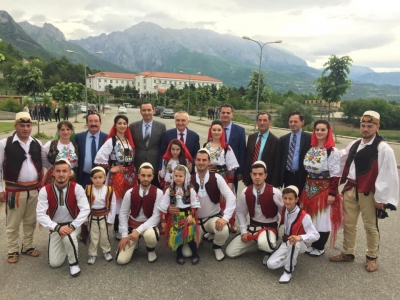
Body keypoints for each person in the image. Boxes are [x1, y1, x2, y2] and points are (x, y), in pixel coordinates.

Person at [330, 111, 399, 272]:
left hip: (369, 192)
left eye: (370, 126)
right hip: (350, 189)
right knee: (349, 223)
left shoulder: (383, 149)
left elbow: (387, 175)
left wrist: (381, 198)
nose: (366, 129)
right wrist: (325, 152)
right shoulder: (355, 144)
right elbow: (341, 158)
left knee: (370, 226)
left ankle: (372, 257)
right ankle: (348, 252)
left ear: (377, 127)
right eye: (363, 125)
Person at [170, 149, 236, 261]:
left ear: (209, 162)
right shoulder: (188, 179)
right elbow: (175, 195)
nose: (201, 162)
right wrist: (170, 207)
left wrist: (225, 218)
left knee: (224, 228)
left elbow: (231, 197)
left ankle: (217, 246)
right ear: (195, 161)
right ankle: (202, 236)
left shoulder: (216, 178)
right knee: (187, 253)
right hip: (193, 221)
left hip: (212, 218)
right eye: (199, 160)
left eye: (204, 160)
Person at [0, 112, 43, 263]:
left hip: (34, 189)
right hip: (15, 191)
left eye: (28, 125)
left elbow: (43, 164)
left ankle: (28, 246)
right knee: (13, 222)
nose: (25, 128)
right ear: (16, 126)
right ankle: (12, 250)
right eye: (22, 125)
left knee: (30, 220)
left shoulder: (36, 143)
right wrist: (0, 189)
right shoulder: (5, 144)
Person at [36, 159, 90, 277]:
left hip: (74, 225)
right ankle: (69, 246)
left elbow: (85, 209)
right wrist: (57, 227)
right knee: (55, 263)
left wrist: (72, 225)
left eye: (64, 171)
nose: (61, 174)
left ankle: (74, 264)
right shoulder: (44, 190)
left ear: (70, 173)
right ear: (53, 173)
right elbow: (40, 214)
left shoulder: (78, 188)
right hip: (55, 227)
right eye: (58, 171)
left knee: (68, 237)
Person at [299, 120, 343, 257]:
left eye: (323, 130)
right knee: (310, 217)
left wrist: (332, 193)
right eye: (317, 129)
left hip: (324, 188)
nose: (319, 132)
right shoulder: (311, 148)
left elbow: (336, 174)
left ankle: (319, 246)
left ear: (328, 131)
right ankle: (310, 241)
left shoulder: (332, 151)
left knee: (322, 218)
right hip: (309, 188)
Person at [226, 161, 283, 261]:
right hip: (252, 228)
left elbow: (285, 213)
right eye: (255, 174)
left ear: (265, 175)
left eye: (260, 174)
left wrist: (287, 232)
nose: (257, 177)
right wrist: (243, 231)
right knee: (230, 252)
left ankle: (268, 246)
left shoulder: (275, 192)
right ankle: (256, 242)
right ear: (251, 175)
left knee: (266, 245)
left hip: (269, 228)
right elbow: (241, 213)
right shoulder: (246, 192)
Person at [94, 114, 137, 240]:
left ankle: (127, 227)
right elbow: (99, 158)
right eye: (120, 123)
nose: (122, 126)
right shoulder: (112, 141)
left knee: (128, 201)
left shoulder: (128, 140)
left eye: (124, 123)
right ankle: (118, 229)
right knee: (118, 202)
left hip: (131, 174)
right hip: (118, 175)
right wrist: (110, 168)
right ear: (115, 125)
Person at [266, 186, 319, 283]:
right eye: (285, 198)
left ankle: (288, 272)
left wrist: (300, 237)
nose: (287, 201)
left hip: (300, 244)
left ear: (296, 199)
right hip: (286, 241)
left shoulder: (304, 216)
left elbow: (316, 235)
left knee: (293, 243)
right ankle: (292, 260)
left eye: (290, 199)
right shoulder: (284, 210)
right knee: (270, 264)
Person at [116, 162, 163, 264]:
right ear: (138, 176)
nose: (146, 178)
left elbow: (156, 216)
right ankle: (134, 242)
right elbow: (123, 213)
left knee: (151, 235)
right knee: (121, 260)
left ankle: (151, 250)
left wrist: (138, 231)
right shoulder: (130, 192)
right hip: (132, 226)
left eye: (149, 176)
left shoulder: (158, 192)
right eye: (143, 175)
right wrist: (124, 235)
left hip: (148, 226)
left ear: (152, 177)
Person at [158, 165, 201, 265]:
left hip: (188, 216)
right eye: (176, 175)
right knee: (177, 236)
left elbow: (195, 204)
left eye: (180, 176)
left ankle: (195, 254)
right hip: (176, 217)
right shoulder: (170, 190)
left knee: (191, 237)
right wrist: (163, 220)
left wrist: (192, 214)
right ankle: (179, 254)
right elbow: (164, 206)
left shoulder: (190, 190)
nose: (177, 178)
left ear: (185, 177)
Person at [204, 119, 239, 233]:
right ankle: (211, 224)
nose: (216, 132)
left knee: (224, 201)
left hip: (223, 178)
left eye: (219, 130)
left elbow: (231, 167)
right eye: (214, 129)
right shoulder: (206, 146)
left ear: (222, 132)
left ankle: (229, 222)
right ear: (210, 130)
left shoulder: (226, 147)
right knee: (211, 200)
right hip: (209, 178)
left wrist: (230, 182)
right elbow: (202, 161)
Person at [129, 102, 166, 188]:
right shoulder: (133, 127)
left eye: (149, 110)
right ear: (140, 112)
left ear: (153, 111)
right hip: (138, 167)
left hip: (155, 168)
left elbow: (162, 148)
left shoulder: (161, 127)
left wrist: (161, 167)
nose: (146, 112)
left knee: (155, 194)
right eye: (144, 110)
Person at [85, 166, 117, 265]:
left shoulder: (110, 190)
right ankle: (92, 254)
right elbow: (84, 205)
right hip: (92, 215)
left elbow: (113, 204)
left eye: (100, 177)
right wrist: (85, 218)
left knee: (105, 235)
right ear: (91, 179)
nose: (98, 180)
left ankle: (106, 251)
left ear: (104, 178)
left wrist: (111, 219)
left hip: (105, 215)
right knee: (93, 236)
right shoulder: (87, 189)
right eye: (95, 178)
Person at [243, 112, 281, 187]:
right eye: (259, 120)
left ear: (270, 122)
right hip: (251, 178)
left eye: (265, 120)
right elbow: (247, 157)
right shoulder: (251, 137)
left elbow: (277, 164)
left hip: (267, 180)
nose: (262, 123)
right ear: (257, 122)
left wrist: (274, 183)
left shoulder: (276, 141)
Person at [279, 111, 311, 193]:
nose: (293, 124)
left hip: (302, 176)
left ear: (302, 122)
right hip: (287, 176)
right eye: (291, 121)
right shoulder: (283, 139)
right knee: (289, 201)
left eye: (295, 121)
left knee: (301, 202)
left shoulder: (309, 138)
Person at [75, 113, 107, 188]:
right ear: (86, 123)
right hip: (83, 177)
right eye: (90, 121)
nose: (93, 124)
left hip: (101, 179)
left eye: (96, 121)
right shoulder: (79, 137)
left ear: (100, 123)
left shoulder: (107, 138)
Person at [220, 104, 246, 192]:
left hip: (233, 171)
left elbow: (242, 151)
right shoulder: (214, 129)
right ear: (220, 114)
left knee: (231, 195)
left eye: (228, 113)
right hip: (217, 170)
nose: (225, 115)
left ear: (232, 114)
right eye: (223, 112)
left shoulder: (240, 130)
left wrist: (240, 171)